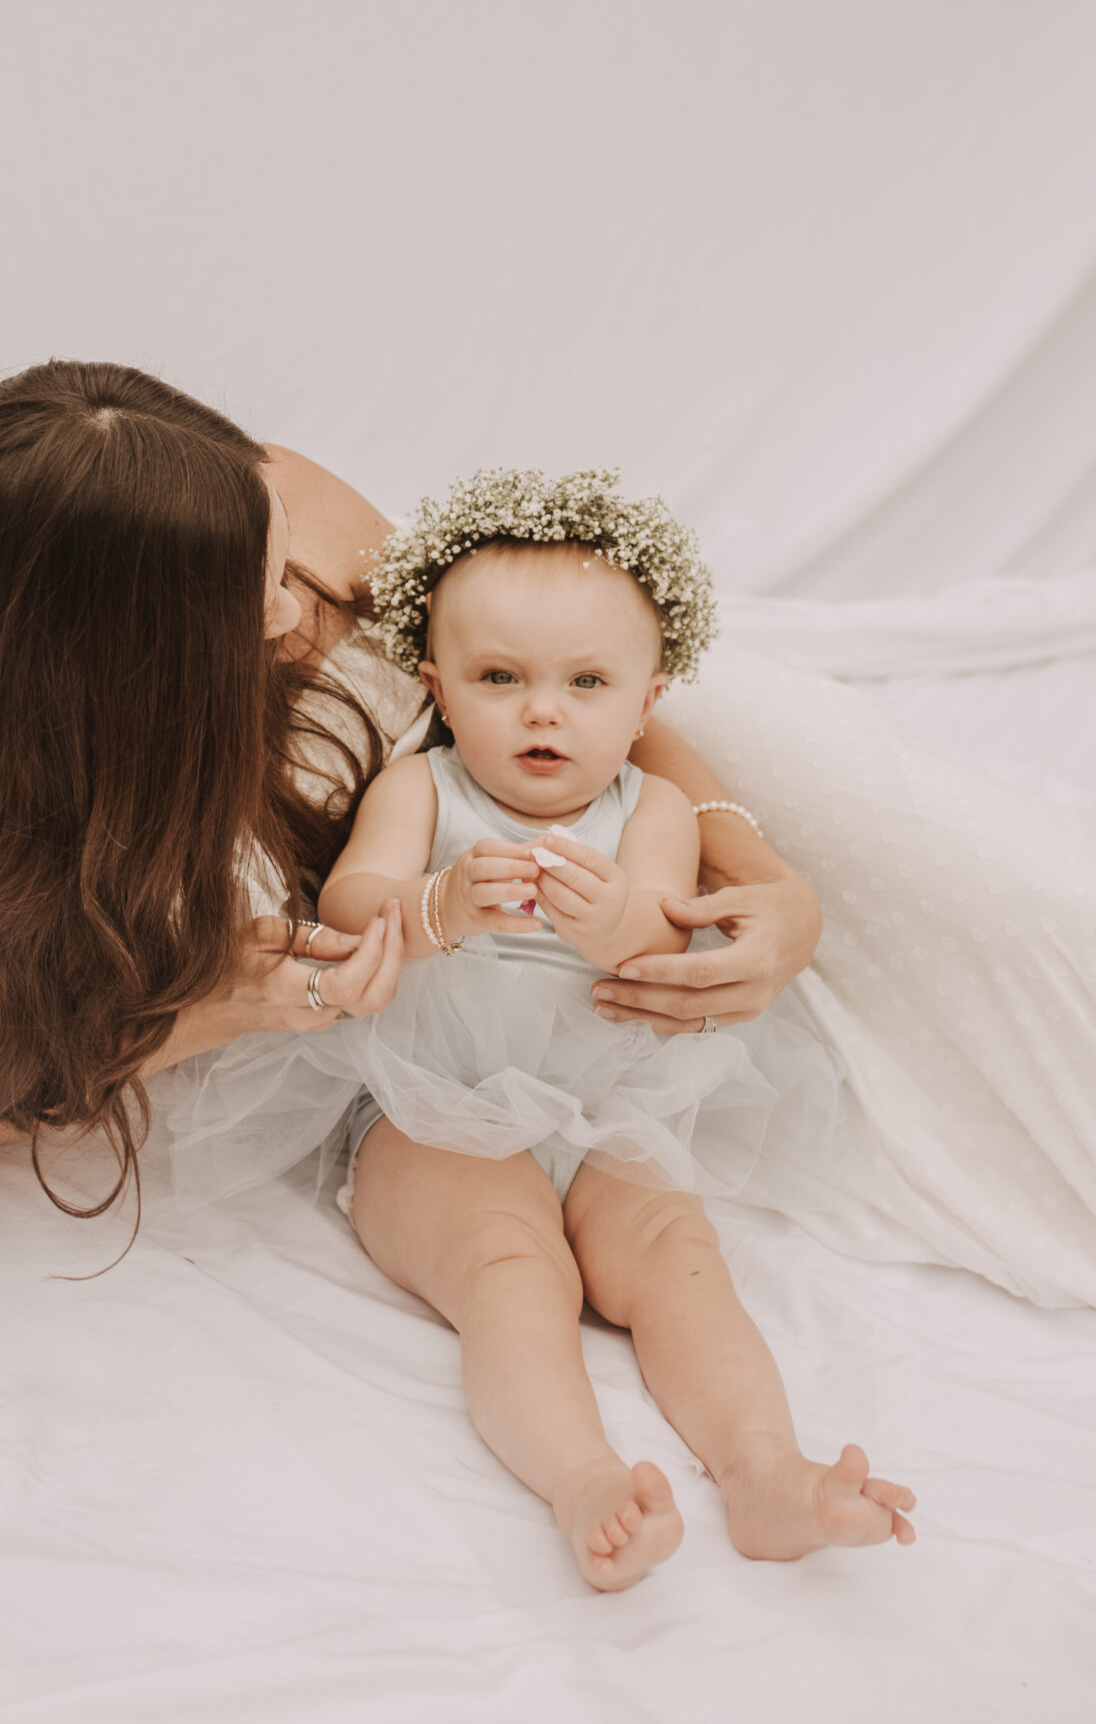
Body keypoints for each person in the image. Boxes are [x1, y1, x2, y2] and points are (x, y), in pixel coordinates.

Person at [0, 364, 821, 1204]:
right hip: (469, 989)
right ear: (123, 676)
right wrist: (237, 1003)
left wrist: (765, 878)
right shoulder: (26, 848)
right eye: (252, 597)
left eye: (279, 560)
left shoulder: (283, 503)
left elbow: (544, 673)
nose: (287, 611)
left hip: (621, 789)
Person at [299, 469, 915, 1586]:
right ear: (438, 685)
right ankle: (582, 1473)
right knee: (508, 1265)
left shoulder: (657, 807)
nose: (545, 709)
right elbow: (351, 904)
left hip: (607, 1100)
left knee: (678, 1255)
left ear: (646, 702)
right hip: (437, 1102)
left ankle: (764, 1469)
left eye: (587, 682)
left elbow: (660, 936)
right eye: (500, 678)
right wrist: (434, 907)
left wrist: (619, 920)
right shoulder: (424, 790)